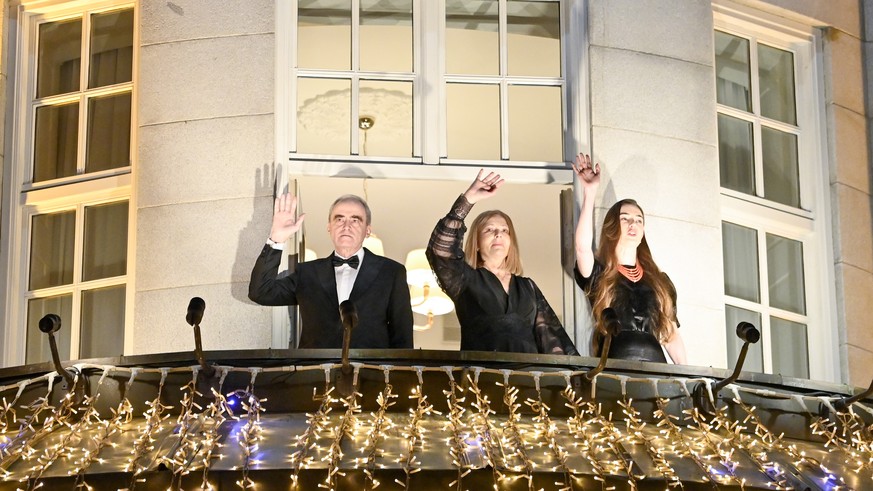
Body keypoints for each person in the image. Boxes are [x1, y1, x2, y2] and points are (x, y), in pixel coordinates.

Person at [426, 170, 578, 355]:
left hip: (526, 379)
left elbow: (552, 339)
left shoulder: (527, 286)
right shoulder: (465, 279)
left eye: (505, 230)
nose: (498, 234)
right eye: (489, 229)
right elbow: (440, 250)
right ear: (477, 243)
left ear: (510, 241)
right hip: (481, 378)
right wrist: (468, 199)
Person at [249, 193, 414, 349]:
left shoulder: (392, 273)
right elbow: (261, 292)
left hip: (371, 375)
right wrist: (277, 238)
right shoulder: (307, 273)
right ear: (329, 227)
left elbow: (402, 337)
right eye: (339, 219)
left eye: (355, 220)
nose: (346, 226)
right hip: (315, 375)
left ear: (368, 230)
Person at [573, 153, 687, 364]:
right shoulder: (600, 275)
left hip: (655, 369)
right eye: (625, 219)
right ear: (612, 227)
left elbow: (671, 337)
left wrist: (688, 378)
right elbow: (582, 249)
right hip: (614, 365)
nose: (632, 224)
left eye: (638, 220)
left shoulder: (660, 281)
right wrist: (590, 193)